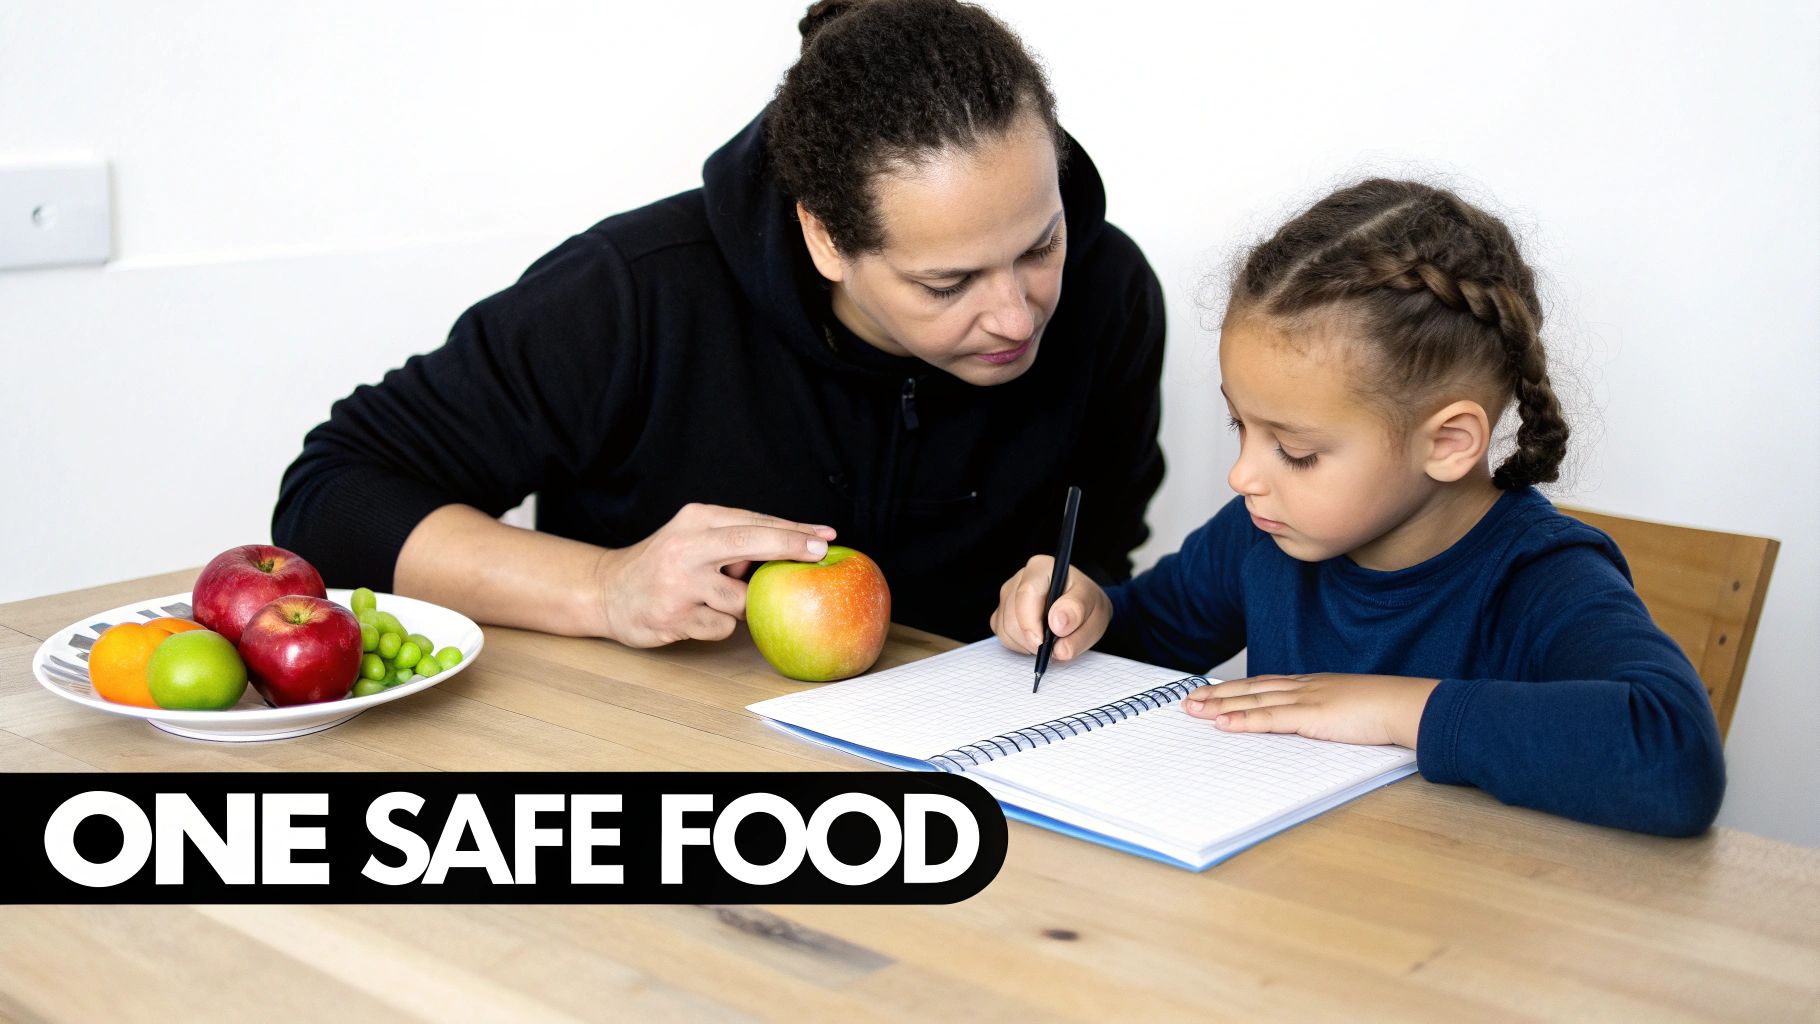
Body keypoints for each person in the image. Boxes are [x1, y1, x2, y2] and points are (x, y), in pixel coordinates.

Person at [272, 0, 1165, 646]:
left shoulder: (1110, 289)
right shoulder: (632, 294)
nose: (1017, 313)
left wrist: (1083, 597)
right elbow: (334, 498)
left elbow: (1106, 546)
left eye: (1039, 245)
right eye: (947, 283)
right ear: (824, 236)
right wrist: (603, 586)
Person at [990, 179, 1725, 836]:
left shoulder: (1540, 577)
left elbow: (1674, 754)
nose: (1244, 474)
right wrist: (1082, 610)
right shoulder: (1263, 536)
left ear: (1448, 443)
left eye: (1298, 451)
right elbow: (1146, 636)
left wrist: (1393, 710)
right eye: (1239, 427)